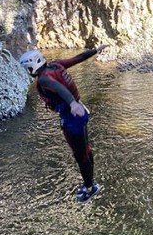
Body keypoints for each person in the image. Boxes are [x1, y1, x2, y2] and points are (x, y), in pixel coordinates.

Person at [19, 46, 107, 202]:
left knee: (80, 155)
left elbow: (59, 88)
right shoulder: (56, 65)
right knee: (85, 150)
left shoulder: (44, 79)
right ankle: (90, 182)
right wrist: (94, 51)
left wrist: (72, 104)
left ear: (31, 67)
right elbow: (77, 58)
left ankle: (90, 188)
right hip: (80, 111)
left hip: (72, 116)